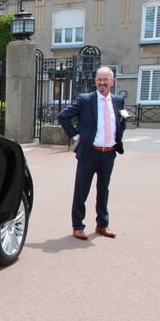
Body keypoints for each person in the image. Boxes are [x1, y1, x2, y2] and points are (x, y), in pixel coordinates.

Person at [58, 66, 127, 240]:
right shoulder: (85, 99)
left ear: (112, 81)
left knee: (104, 190)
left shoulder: (118, 100)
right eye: (99, 79)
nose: (102, 82)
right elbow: (63, 116)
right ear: (95, 81)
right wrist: (75, 135)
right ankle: (78, 226)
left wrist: (119, 134)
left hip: (109, 153)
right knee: (81, 190)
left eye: (106, 79)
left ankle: (102, 225)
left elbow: (120, 121)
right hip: (89, 153)